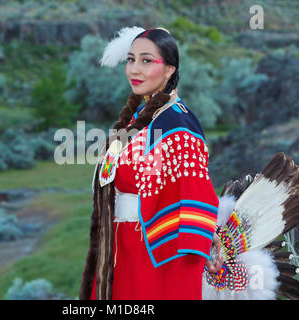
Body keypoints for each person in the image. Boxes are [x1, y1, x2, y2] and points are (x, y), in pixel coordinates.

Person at [79, 27, 223, 300]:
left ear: (169, 69)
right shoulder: (138, 120)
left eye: (146, 60)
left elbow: (194, 188)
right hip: (120, 246)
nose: (135, 69)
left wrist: (203, 239)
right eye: (130, 59)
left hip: (158, 256)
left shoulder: (178, 123)